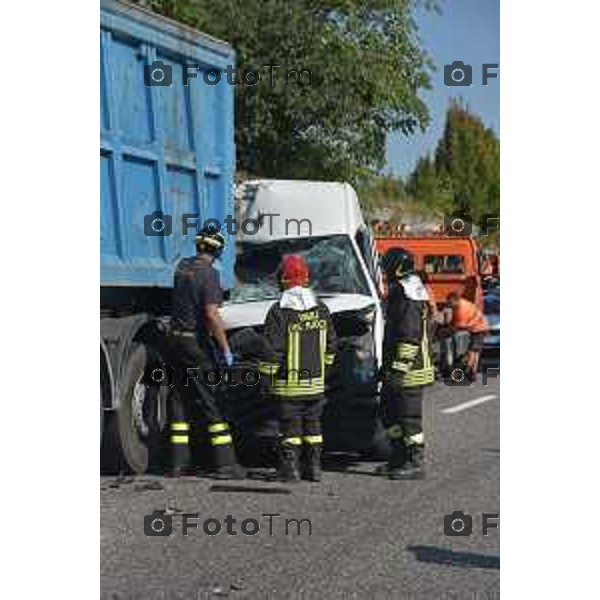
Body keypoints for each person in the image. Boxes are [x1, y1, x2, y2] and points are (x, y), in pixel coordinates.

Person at [166, 225, 244, 479]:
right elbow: (211, 314)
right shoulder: (209, 274)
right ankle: (226, 464)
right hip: (193, 345)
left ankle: (178, 463)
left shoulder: (182, 267)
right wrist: (225, 349)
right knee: (211, 399)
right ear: (218, 250)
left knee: (179, 399)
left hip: (174, 342)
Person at [259, 255, 337, 482]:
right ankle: (314, 469)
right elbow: (332, 345)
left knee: (290, 428)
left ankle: (290, 470)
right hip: (315, 384)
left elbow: (273, 351)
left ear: (282, 279)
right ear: (306, 278)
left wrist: (265, 377)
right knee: (313, 425)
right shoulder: (321, 308)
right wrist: (325, 371)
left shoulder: (280, 311)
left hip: (289, 386)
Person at [379, 249, 435, 480]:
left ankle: (415, 461)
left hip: (410, 369)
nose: (384, 272)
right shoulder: (406, 290)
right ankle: (399, 455)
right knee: (388, 412)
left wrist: (399, 368)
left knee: (408, 418)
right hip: (398, 367)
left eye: (386, 268)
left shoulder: (408, 294)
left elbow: (409, 336)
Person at [447, 291, 489, 382]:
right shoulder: (458, 305)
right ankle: (472, 373)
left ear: (455, 300)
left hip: (478, 328)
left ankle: (467, 371)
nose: (448, 304)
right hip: (478, 326)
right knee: (476, 352)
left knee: (472, 351)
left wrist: (449, 330)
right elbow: (455, 320)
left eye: (450, 302)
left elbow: (461, 325)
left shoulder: (462, 308)